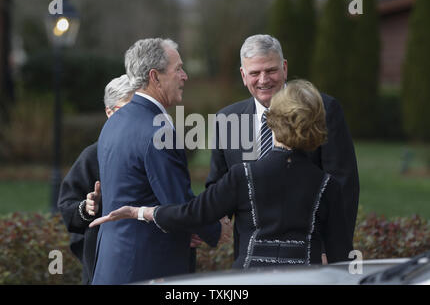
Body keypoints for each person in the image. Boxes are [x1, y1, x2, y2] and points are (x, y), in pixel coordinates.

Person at [90, 79, 353, 268]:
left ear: (273, 119)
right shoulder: (327, 186)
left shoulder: (243, 176)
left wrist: (139, 212)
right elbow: (340, 256)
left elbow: (191, 213)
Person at [206, 34, 359, 261]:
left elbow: (343, 184)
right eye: (255, 73)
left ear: (284, 68)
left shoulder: (324, 109)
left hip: (310, 257)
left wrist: (331, 248)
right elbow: (217, 186)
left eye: (271, 70)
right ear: (243, 75)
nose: (263, 80)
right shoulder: (227, 119)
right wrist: (213, 225)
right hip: (251, 260)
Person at [91, 38, 222, 285]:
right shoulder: (157, 130)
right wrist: (215, 229)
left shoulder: (114, 121)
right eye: (178, 69)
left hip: (112, 263)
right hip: (147, 268)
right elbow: (177, 202)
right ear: (155, 77)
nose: (184, 76)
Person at [57, 74, 134, 284]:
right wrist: (87, 207)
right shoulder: (93, 156)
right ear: (110, 113)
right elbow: (67, 206)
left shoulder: (154, 151)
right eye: (128, 110)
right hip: (104, 263)